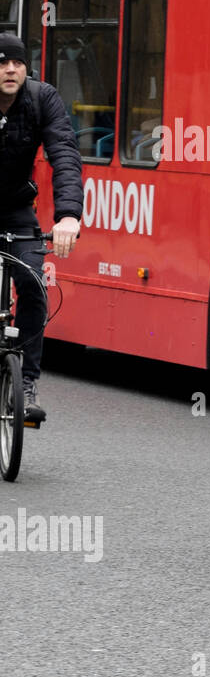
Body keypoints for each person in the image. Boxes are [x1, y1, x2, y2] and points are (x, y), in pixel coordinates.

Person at [0, 32, 83, 423]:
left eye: (16, 62)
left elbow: (64, 151)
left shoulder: (40, 99)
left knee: (34, 283)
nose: (10, 69)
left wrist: (68, 215)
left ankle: (27, 384)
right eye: (2, 63)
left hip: (17, 208)